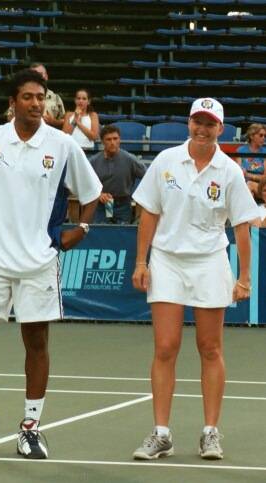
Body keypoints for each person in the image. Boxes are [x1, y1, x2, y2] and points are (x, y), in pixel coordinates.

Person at [0, 69, 101, 459]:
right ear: (13, 103)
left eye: (41, 97)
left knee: (36, 343)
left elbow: (91, 192)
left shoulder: (63, 145)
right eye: (29, 97)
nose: (37, 104)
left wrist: (81, 228)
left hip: (38, 260)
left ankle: (31, 427)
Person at [131, 98, 259, 461]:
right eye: (197, 122)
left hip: (209, 262)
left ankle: (210, 433)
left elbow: (242, 227)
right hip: (168, 261)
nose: (202, 129)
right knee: (166, 347)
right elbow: (149, 214)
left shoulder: (230, 171)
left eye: (210, 124)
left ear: (221, 128)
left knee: (210, 348)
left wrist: (245, 277)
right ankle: (161, 434)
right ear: (189, 123)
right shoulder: (167, 161)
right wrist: (142, 261)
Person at [89, 124, 146, 224]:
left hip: (123, 205)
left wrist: (140, 197)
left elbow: (149, 177)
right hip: (101, 206)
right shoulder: (93, 162)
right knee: (100, 235)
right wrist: (98, 194)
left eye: (115, 139)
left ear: (120, 140)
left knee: (122, 235)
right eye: (108, 139)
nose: (112, 142)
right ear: (102, 141)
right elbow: (85, 183)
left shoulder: (130, 159)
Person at [5, 63, 65, 129]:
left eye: (40, 74)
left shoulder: (56, 98)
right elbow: (10, 117)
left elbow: (65, 122)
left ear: (46, 76)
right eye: (27, 97)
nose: (36, 104)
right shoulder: (20, 95)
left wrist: (54, 122)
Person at [236, 123, 266, 197]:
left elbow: (264, 178)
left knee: (250, 185)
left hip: (262, 187)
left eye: (265, 136)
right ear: (252, 136)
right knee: (248, 190)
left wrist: (248, 175)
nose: (263, 138)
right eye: (260, 135)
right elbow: (238, 175)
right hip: (244, 185)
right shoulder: (240, 151)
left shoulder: (265, 152)